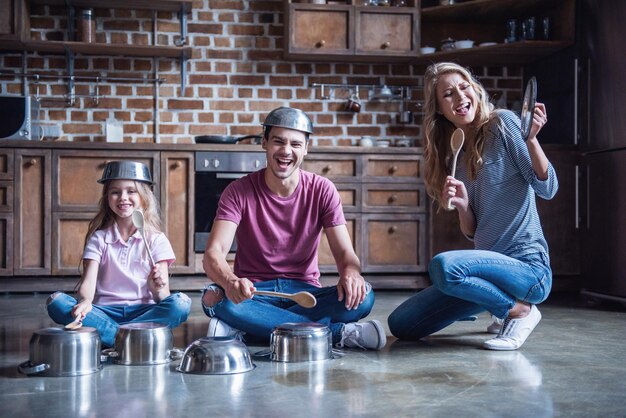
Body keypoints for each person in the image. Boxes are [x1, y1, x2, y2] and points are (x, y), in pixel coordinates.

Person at [388, 62, 558, 350]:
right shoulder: (458, 153)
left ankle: (519, 310)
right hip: (486, 271)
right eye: (448, 94)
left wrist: (531, 141)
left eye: (463, 87)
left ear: (476, 90)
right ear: (440, 109)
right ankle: (495, 302)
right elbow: (473, 232)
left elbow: (547, 188)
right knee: (402, 324)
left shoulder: (503, 123)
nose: (459, 97)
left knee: (444, 266)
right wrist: (465, 206)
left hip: (528, 269)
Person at [201, 106, 386, 350]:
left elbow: (344, 254)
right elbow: (214, 253)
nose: (286, 151)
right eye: (278, 141)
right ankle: (336, 334)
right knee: (214, 298)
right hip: (254, 293)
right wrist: (231, 281)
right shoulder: (238, 191)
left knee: (364, 297)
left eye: (296, 144)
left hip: (306, 293)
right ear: (265, 143)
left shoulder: (322, 190)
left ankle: (248, 329)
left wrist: (351, 273)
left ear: (306, 148)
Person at [47, 161, 191, 347]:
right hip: (104, 311)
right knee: (57, 302)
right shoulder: (99, 238)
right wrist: (85, 301)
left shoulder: (156, 239)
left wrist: (156, 289)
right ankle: (132, 338)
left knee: (180, 304)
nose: (123, 197)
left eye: (131, 191)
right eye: (115, 192)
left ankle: (111, 336)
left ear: (144, 197)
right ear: (107, 197)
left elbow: (163, 296)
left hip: (144, 311)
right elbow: (89, 281)